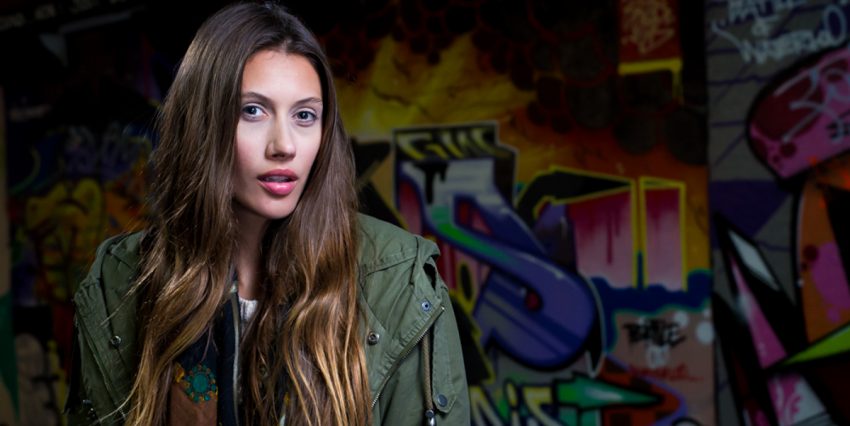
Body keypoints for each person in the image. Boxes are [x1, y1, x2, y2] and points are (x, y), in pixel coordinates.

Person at [64, 2, 469, 425]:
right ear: (202, 123)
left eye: (305, 115)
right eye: (252, 111)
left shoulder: (398, 279)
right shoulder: (120, 281)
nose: (284, 145)